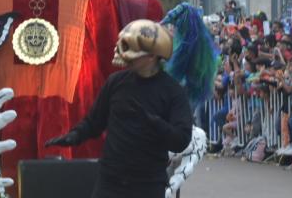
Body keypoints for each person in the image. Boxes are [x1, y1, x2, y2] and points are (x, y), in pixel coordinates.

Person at [45, 21, 193, 198]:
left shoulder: (172, 91)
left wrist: (154, 123)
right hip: (110, 181)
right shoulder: (116, 82)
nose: (126, 57)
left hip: (147, 185)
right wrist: (75, 135)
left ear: (151, 57)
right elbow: (94, 122)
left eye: (133, 53)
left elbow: (182, 139)